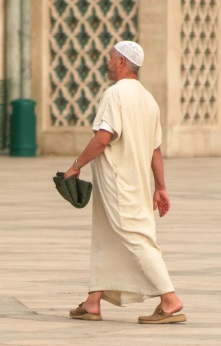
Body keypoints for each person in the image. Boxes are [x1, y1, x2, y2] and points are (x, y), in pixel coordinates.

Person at [64, 41, 186, 324]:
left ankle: (169, 299)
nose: (107, 63)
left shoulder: (115, 94)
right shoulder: (148, 99)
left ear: (120, 62)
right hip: (138, 183)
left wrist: (75, 166)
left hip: (119, 182)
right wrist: (161, 187)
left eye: (110, 58)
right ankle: (93, 302)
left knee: (137, 237)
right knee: (107, 235)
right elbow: (156, 150)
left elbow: (103, 138)